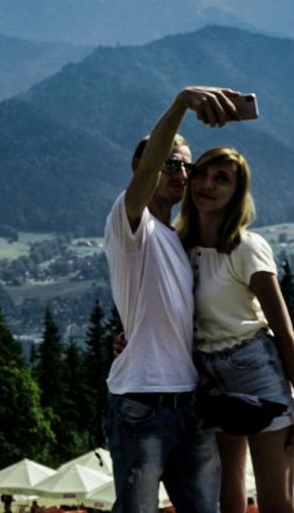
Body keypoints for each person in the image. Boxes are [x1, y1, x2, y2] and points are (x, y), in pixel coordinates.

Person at [104, 86, 242, 513]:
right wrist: (181, 103)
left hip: (191, 407)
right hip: (141, 404)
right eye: (170, 164)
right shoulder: (131, 223)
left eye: (187, 166)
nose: (181, 174)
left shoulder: (177, 241)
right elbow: (146, 175)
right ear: (142, 167)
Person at [177, 147, 294, 513]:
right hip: (206, 377)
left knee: (275, 502)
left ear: (237, 192)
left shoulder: (247, 249)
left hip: (256, 369)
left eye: (222, 179)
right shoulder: (179, 246)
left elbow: (284, 332)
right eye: (203, 173)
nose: (208, 184)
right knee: (226, 498)